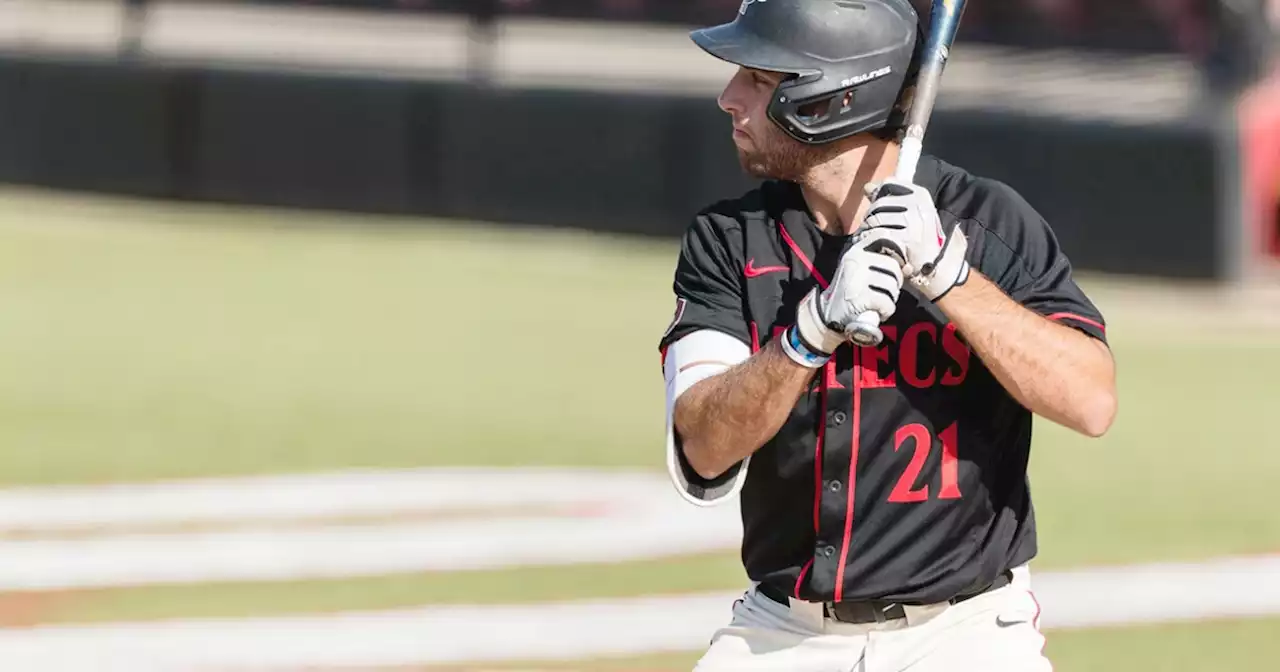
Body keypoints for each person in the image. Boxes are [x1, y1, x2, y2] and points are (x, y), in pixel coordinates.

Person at [657, 0, 1119, 669]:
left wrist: (946, 274)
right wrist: (807, 334)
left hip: (966, 632)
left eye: (758, 78)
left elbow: (1092, 401)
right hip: (782, 631)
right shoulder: (728, 241)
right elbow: (701, 447)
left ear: (831, 97)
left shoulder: (988, 224)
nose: (729, 98)